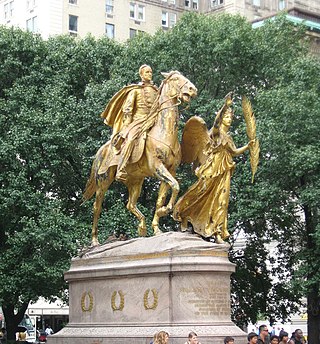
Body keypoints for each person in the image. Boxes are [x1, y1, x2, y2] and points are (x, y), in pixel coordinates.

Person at [174, 93, 255, 243]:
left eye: (230, 117)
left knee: (221, 200)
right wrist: (225, 106)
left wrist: (248, 146)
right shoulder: (215, 133)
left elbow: (234, 152)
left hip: (225, 170)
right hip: (212, 168)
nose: (229, 120)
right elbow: (216, 123)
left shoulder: (228, 137)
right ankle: (184, 213)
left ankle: (218, 232)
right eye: (227, 117)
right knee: (200, 192)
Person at [100, 64, 158, 182]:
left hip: (153, 121)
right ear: (141, 75)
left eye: (151, 72)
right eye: (147, 72)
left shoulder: (156, 91)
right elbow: (128, 109)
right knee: (131, 139)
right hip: (137, 122)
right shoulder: (135, 90)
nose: (149, 74)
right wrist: (127, 126)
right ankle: (121, 168)